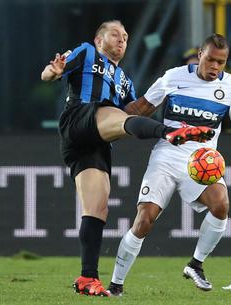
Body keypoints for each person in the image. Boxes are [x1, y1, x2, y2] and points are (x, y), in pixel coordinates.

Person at [40, 20, 214, 297]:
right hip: (79, 117)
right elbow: (49, 74)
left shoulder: (125, 82)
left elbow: (136, 112)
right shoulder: (86, 52)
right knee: (118, 117)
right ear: (99, 40)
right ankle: (171, 133)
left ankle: (88, 278)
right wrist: (53, 71)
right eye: (115, 35)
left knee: (97, 209)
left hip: (95, 142)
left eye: (125, 36)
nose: (122, 39)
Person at [106, 33, 231, 297]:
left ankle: (196, 265)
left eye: (221, 62)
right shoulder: (173, 77)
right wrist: (106, 117)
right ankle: (115, 285)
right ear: (200, 53)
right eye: (211, 59)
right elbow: (141, 108)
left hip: (201, 161)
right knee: (144, 220)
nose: (215, 66)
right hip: (167, 156)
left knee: (221, 204)